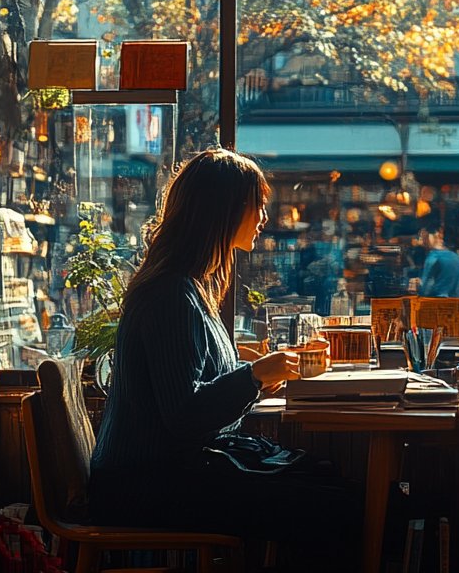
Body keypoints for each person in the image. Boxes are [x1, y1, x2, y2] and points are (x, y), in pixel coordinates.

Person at [89, 148, 360, 569]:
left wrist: (266, 375)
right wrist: (255, 376)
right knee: (338, 509)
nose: (264, 218)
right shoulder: (170, 296)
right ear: (224, 210)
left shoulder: (189, 289)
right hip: (148, 486)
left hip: (172, 473)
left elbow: (200, 399)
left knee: (327, 484)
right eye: (258, 206)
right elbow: (184, 417)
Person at [418, 228, 459, 298]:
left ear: (432, 237)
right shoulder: (455, 256)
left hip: (441, 304)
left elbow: (425, 290)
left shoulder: (433, 257)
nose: (421, 242)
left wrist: (419, 287)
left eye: (423, 237)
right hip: (458, 303)